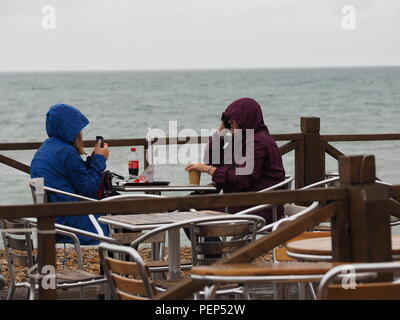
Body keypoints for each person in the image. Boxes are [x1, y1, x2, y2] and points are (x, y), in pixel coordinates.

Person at [185, 97, 285, 224]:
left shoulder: (257, 142)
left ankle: (214, 244)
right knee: (191, 203)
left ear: (244, 121)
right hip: (247, 202)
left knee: (189, 209)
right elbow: (212, 161)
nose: (230, 127)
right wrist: (219, 133)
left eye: (232, 123)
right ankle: (216, 244)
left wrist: (208, 170)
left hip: (257, 207)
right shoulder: (245, 140)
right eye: (228, 123)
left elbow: (242, 178)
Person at [30, 104, 110, 244]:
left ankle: (116, 263)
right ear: (71, 130)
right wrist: (100, 159)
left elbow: (74, 176)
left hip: (53, 216)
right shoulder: (67, 152)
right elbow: (89, 190)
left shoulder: (45, 148)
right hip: (72, 218)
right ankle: (119, 263)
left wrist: (92, 160)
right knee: (120, 219)